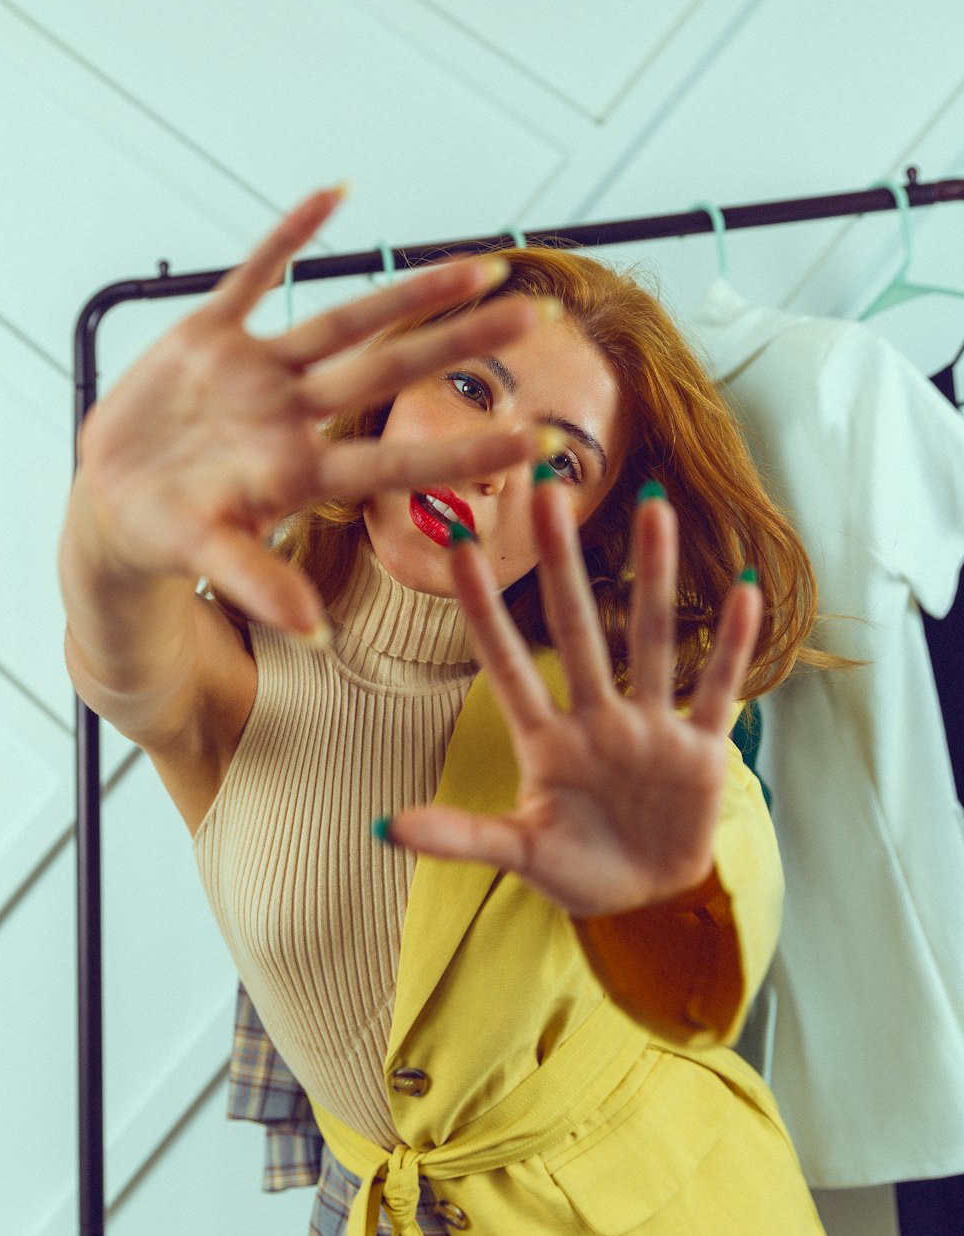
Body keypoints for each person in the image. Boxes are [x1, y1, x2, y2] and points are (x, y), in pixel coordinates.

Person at [60, 186, 826, 1234]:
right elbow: (113, 641)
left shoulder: (613, 718)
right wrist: (111, 512)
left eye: (562, 462)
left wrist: (651, 896)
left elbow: (706, 973)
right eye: (469, 387)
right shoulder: (232, 672)